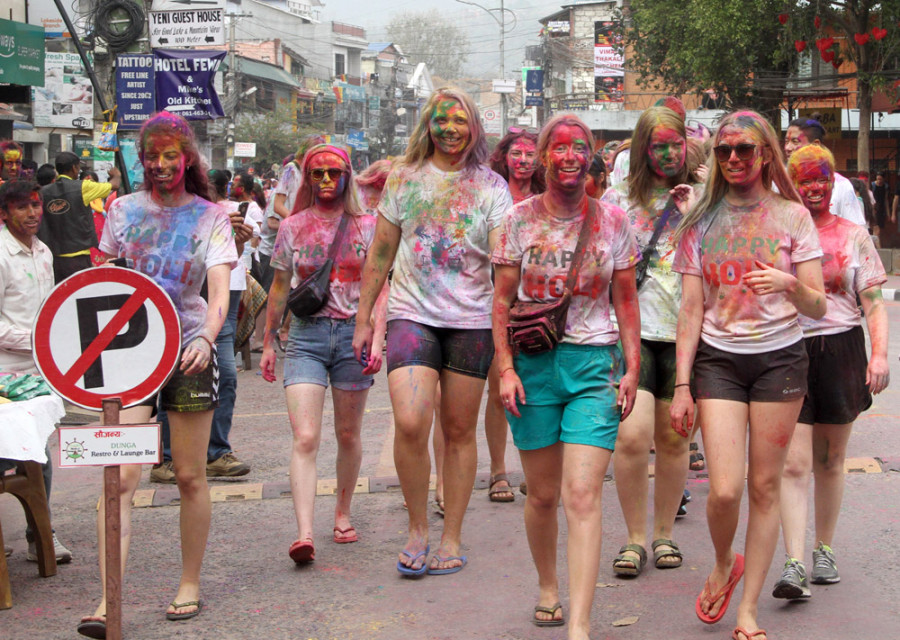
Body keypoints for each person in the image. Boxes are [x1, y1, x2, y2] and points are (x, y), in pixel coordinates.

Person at [78, 111, 237, 638]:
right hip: (128, 354)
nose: (163, 164)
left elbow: (218, 293)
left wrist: (206, 340)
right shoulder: (122, 211)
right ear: (140, 159)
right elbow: (100, 280)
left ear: (187, 157)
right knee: (119, 476)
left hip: (190, 350)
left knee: (190, 475)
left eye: (173, 154)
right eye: (153, 155)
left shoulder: (211, 217)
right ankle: (108, 597)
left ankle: (189, 582)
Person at [669, 110, 826, 640]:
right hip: (719, 361)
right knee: (725, 490)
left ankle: (749, 612)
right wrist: (682, 384)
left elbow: (819, 305)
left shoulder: (792, 217)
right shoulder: (700, 221)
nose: (733, 158)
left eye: (744, 150)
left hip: (781, 360)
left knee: (764, 486)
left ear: (764, 155)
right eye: (723, 151)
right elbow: (690, 310)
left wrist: (788, 283)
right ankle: (721, 562)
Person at [353, 87, 513, 576]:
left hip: (470, 322)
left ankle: (451, 536)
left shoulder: (491, 187)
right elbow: (380, 253)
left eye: (460, 121)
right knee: (410, 421)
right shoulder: (403, 178)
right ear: (428, 125)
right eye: (441, 120)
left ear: (474, 129)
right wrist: (364, 320)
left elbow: (504, 263)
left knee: (460, 431)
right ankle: (418, 527)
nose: (449, 129)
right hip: (411, 315)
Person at [492, 114, 640, 638]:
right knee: (543, 495)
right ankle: (548, 588)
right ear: (545, 156)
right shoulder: (518, 220)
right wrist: (505, 370)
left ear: (591, 155)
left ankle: (579, 624)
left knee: (582, 494)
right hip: (532, 367)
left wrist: (632, 368)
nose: (570, 156)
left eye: (580, 147)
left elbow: (625, 300)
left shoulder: (614, 222)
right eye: (560, 147)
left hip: (594, 365)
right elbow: (502, 301)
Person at [260, 144, 386, 562]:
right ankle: (305, 531)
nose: (326, 181)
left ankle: (343, 512)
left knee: (348, 434)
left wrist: (374, 333)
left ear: (348, 176)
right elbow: (279, 285)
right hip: (307, 338)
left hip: (354, 334)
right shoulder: (292, 225)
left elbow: (380, 286)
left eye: (334, 173)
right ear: (307, 179)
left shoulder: (368, 226)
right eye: (317, 174)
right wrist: (268, 342)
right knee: (307, 436)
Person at [774, 144, 888, 600]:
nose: (813, 187)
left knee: (830, 461)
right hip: (787, 348)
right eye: (803, 179)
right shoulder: (778, 230)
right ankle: (794, 561)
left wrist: (878, 355)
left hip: (841, 347)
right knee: (795, 462)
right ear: (790, 184)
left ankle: (824, 547)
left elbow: (874, 303)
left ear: (832, 181)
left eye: (821, 178)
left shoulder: (852, 235)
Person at [600, 105, 699, 578]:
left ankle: (664, 535)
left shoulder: (703, 197)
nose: (666, 153)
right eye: (657, 144)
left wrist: (695, 208)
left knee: (675, 440)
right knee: (632, 438)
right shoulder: (617, 199)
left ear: (686, 146)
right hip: (631, 337)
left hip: (684, 338)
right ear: (641, 148)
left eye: (674, 144)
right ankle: (634, 538)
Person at [150, 170, 255, 484]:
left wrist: (236, 242)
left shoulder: (218, 218)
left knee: (227, 377)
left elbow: (225, 263)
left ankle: (217, 452)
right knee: (175, 384)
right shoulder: (176, 221)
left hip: (217, 313)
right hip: (179, 316)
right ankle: (167, 459)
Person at [0, 179, 72, 565]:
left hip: (39, 372)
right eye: (22, 207)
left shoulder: (43, 251)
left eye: (35, 206)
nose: (31, 214)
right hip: (5, 373)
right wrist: (36, 338)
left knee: (39, 455)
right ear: (4, 213)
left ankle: (40, 534)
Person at [482, 129, 546, 502]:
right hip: (496, 302)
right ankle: (497, 471)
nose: (523, 161)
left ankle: (534, 470)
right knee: (497, 391)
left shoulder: (546, 198)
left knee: (535, 390)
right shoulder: (492, 194)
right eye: (517, 154)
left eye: (530, 155)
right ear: (504, 157)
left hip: (538, 307)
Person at [38, 151, 121, 282]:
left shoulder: (43, 192)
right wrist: (116, 174)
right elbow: (115, 185)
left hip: (54, 257)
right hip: (79, 256)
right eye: (78, 167)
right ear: (73, 168)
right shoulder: (82, 187)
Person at [783, 117, 867, 227]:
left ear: (816, 144)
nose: (788, 148)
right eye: (786, 142)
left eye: (795, 142)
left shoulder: (841, 185)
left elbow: (857, 234)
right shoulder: (778, 182)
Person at [871, 171, 892, 239]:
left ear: (883, 179)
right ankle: (877, 244)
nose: (879, 181)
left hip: (881, 208)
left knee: (879, 227)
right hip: (874, 207)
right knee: (876, 227)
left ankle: (876, 242)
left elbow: (886, 200)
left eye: (880, 179)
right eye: (877, 179)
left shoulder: (885, 186)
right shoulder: (873, 185)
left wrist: (888, 213)